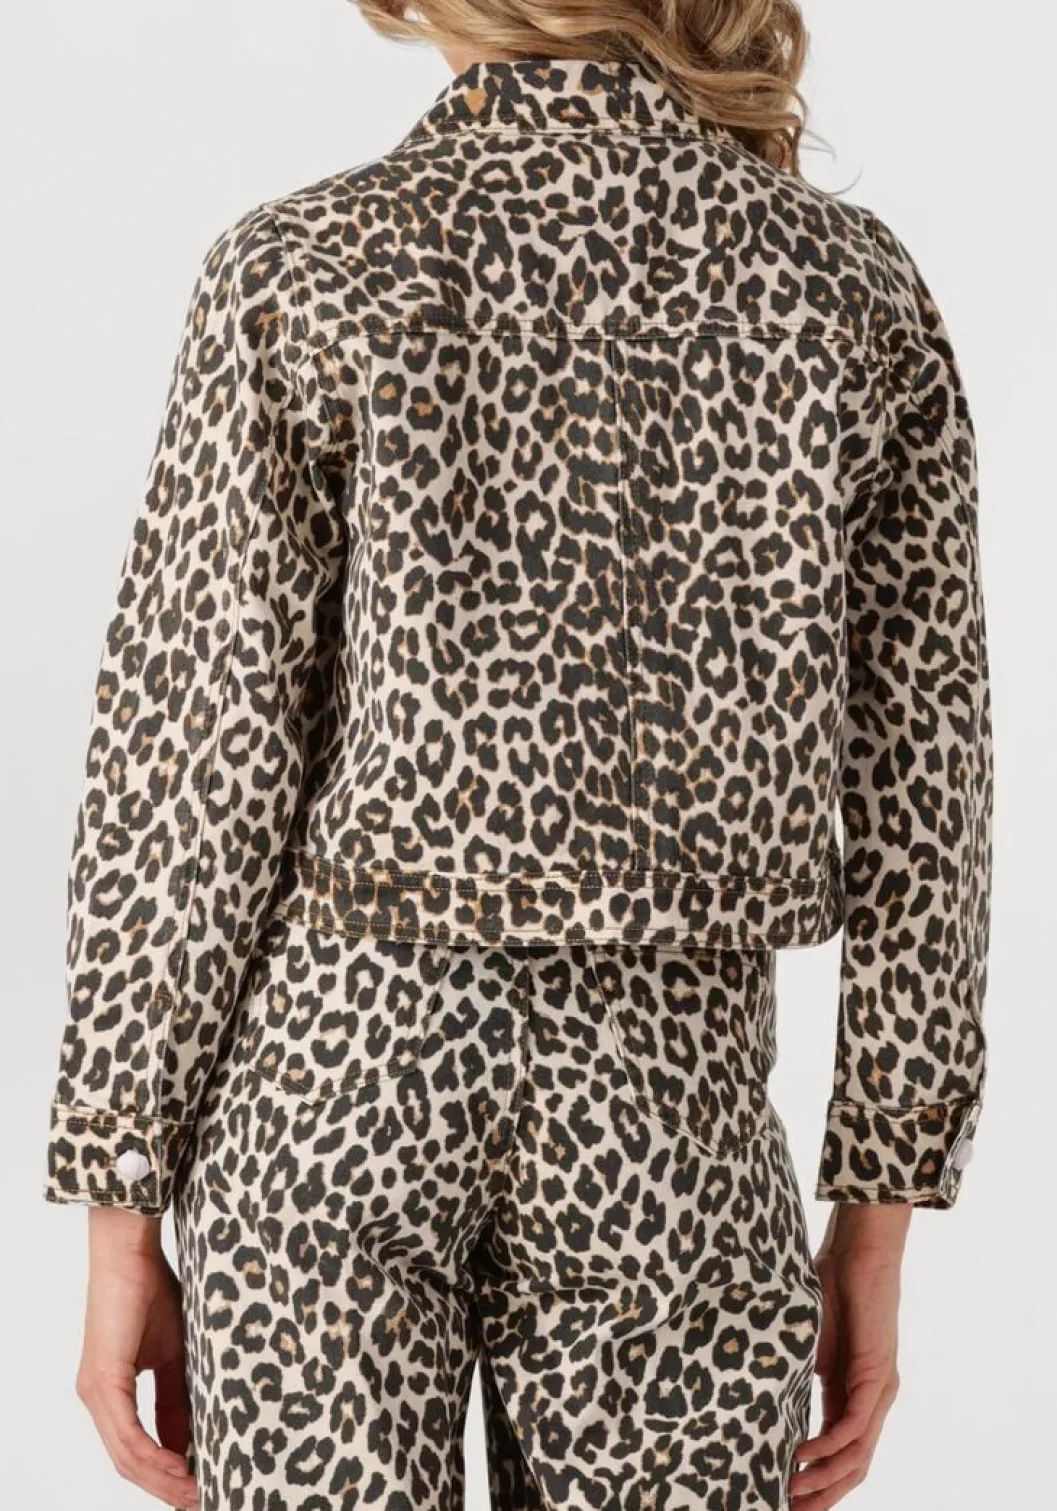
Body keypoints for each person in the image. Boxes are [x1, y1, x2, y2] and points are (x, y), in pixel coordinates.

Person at [43, 5, 993, 1511]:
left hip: (335, 1085)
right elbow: (926, 791)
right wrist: (876, 1215)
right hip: (671, 1109)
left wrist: (121, 1208)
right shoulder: (851, 288)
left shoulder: (305, 265)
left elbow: (194, 756)